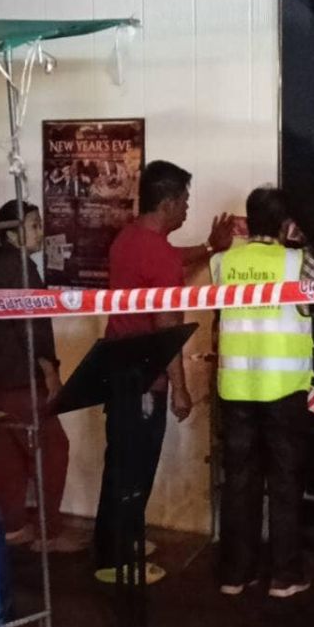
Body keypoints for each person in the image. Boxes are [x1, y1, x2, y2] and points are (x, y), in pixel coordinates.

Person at [95, 160, 235, 584]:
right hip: (143, 375)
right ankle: (118, 562)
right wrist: (180, 388)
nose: (188, 208)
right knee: (135, 465)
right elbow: (166, 328)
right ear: (169, 202)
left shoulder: (130, 239)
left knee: (121, 460)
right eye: (185, 201)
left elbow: (171, 259)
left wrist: (210, 247)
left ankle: (116, 541)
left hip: (117, 366)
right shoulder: (157, 255)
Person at [212, 187, 314, 599]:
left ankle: (236, 574)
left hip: (236, 388)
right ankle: (285, 576)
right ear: (286, 224)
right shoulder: (297, 263)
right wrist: (304, 242)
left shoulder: (224, 262)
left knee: (239, 481)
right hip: (283, 389)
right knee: (285, 482)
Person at [0, 200, 86, 554]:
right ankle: (49, 534)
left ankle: (13, 527)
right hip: (21, 377)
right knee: (52, 448)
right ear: (11, 233)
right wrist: (49, 370)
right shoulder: (20, 268)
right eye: (34, 225)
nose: (41, 231)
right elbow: (32, 327)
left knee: (10, 452)